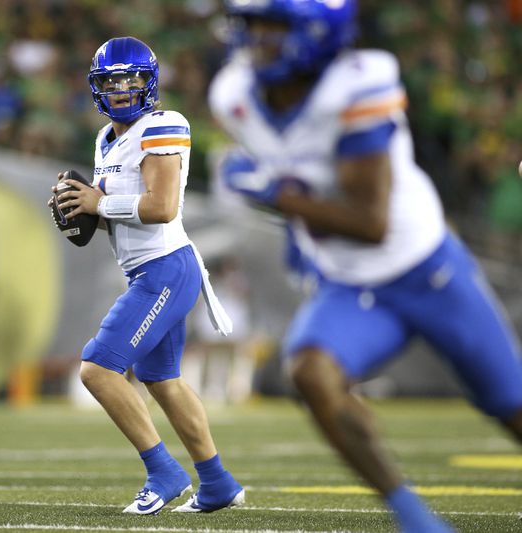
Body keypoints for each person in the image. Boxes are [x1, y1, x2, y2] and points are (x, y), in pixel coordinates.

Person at [209, 1, 522, 532]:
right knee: (311, 372)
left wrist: (277, 198)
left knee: (509, 404)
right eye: (253, 27)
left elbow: (370, 223)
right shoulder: (235, 94)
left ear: (315, 31)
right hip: (351, 282)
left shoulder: (358, 85)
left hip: (426, 271)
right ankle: (416, 520)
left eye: (274, 29)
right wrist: (295, 226)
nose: (258, 42)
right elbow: (297, 175)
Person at [52, 36, 243, 515]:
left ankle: (163, 470)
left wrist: (99, 202)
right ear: (97, 88)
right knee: (163, 382)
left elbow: (161, 207)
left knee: (98, 368)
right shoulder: (105, 138)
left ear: (149, 83)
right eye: (111, 82)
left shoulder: (164, 124)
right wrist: (81, 208)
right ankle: (217, 483)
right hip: (147, 272)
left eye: (130, 80)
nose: (120, 90)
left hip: (165, 269)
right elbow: (112, 211)